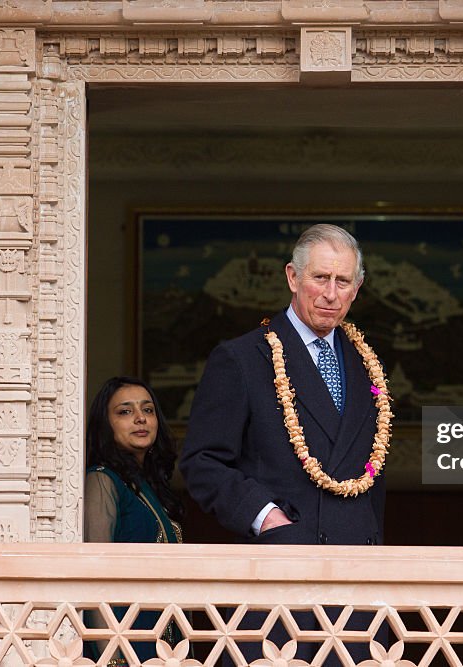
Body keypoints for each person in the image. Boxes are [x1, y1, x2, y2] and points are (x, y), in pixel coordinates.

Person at [180, 224, 392, 663]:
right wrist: (266, 517)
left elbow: (374, 473)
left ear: (358, 288)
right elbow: (202, 462)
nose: (331, 294)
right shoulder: (242, 357)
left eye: (343, 281)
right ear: (292, 278)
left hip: (359, 583)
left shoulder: (367, 362)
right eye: (320, 278)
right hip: (279, 580)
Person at [84, 376, 184, 663]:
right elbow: (93, 576)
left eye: (148, 410)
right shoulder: (102, 480)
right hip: (124, 643)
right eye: (125, 411)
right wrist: (110, 653)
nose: (140, 419)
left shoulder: (147, 485)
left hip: (160, 641)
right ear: (106, 424)